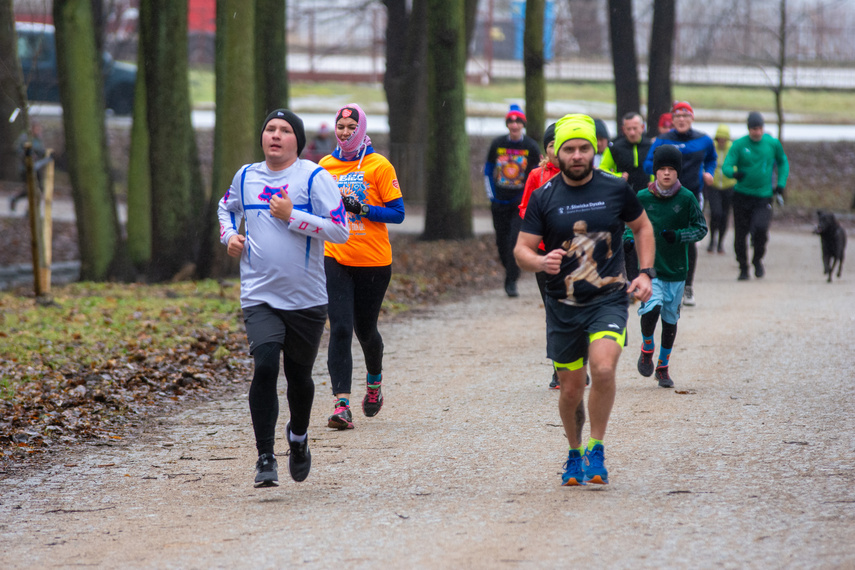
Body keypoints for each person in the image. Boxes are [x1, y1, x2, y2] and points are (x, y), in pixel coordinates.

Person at [514, 114, 655, 486]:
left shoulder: (614, 188)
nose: (577, 155)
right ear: (557, 155)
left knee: (604, 368)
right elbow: (521, 250)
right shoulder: (544, 197)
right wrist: (541, 261)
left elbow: (642, 226)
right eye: (570, 149)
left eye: (584, 148)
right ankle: (574, 451)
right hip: (562, 304)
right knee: (572, 388)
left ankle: (597, 446)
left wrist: (644, 272)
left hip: (608, 297)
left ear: (595, 150)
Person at [217, 109, 350, 488]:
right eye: (270, 129)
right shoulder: (246, 177)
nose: (275, 135)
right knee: (264, 367)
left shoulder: (314, 177)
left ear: (298, 140)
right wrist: (229, 237)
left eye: (285, 130)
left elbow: (340, 231)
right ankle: (264, 457)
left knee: (299, 378)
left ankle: (299, 437)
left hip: (306, 298)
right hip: (259, 294)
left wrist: (294, 216)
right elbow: (225, 208)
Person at [319, 104, 405, 430]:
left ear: (362, 128)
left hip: (373, 261)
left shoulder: (379, 165)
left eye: (351, 126)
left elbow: (398, 214)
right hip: (336, 256)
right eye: (340, 126)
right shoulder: (324, 166)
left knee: (365, 330)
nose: (344, 131)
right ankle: (341, 404)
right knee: (339, 328)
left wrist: (364, 208)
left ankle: (374, 384)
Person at [635, 145, 707, 388]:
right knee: (651, 309)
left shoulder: (687, 198)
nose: (666, 173)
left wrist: (678, 236)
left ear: (678, 172)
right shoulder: (642, 197)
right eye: (662, 169)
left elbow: (701, 229)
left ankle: (663, 366)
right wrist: (626, 239)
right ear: (655, 171)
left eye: (671, 169)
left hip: (676, 270)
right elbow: (629, 224)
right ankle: (647, 347)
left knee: (669, 321)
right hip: (650, 269)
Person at [644, 101, 716, 307]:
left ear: (692, 118)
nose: (682, 120)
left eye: (686, 116)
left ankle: (688, 286)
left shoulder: (703, 140)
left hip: (691, 196)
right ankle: (657, 281)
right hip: (663, 196)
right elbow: (648, 162)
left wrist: (709, 173)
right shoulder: (662, 140)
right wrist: (655, 175)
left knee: (688, 239)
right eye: (678, 116)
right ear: (673, 120)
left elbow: (711, 158)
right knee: (661, 235)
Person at [722, 112, 790, 281]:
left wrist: (780, 184)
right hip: (741, 196)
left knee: (760, 230)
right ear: (748, 129)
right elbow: (726, 166)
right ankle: (743, 266)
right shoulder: (739, 144)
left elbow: (782, 162)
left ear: (763, 128)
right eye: (754, 129)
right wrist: (734, 174)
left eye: (759, 128)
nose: (757, 132)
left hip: (763, 196)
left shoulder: (772, 144)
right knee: (741, 234)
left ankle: (757, 259)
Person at [484, 103, 542, 297]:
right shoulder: (498, 144)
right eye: (511, 122)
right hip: (499, 202)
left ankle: (511, 280)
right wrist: (492, 195)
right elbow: (487, 170)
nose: (514, 125)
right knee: (501, 242)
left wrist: (529, 199)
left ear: (523, 125)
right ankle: (510, 269)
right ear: (507, 124)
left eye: (518, 122)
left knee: (513, 242)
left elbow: (536, 174)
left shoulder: (531, 147)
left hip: (520, 205)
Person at [599, 112, 654, 284]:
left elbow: (660, 168)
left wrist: (655, 183)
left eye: (635, 128)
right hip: (624, 200)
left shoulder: (652, 145)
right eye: (628, 129)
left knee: (649, 236)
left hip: (648, 198)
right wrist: (616, 175)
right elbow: (602, 170)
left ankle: (650, 275)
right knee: (628, 240)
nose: (632, 132)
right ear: (623, 129)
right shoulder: (614, 147)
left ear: (642, 128)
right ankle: (630, 279)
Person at [705, 124, 736, 254]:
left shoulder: (733, 148)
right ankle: (712, 240)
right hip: (714, 185)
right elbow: (706, 162)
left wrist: (734, 173)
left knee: (725, 215)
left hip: (729, 186)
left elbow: (738, 163)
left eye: (724, 138)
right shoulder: (711, 147)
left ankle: (720, 243)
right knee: (715, 213)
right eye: (720, 138)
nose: (722, 140)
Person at [9, 122, 48, 212]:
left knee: (39, 189)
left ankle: (30, 211)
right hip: (26, 168)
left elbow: (41, 151)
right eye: (36, 129)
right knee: (30, 189)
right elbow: (17, 149)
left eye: (39, 129)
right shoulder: (25, 138)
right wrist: (27, 154)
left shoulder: (39, 139)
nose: (38, 131)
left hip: (36, 167)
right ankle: (15, 199)